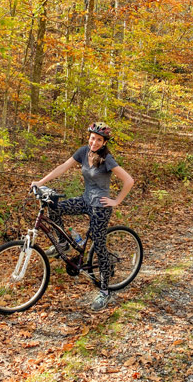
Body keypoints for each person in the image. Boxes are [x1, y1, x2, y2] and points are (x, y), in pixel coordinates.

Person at [30, 121, 134, 311]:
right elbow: (63, 166)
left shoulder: (107, 159)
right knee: (55, 207)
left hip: (100, 207)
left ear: (104, 142)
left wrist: (116, 201)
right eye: (92, 138)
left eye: (99, 140)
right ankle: (63, 243)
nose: (94, 142)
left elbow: (129, 180)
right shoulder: (83, 151)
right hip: (86, 200)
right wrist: (40, 181)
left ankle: (105, 292)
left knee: (99, 244)